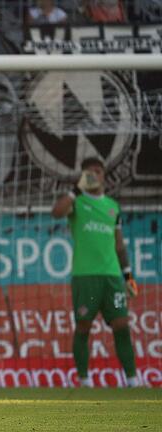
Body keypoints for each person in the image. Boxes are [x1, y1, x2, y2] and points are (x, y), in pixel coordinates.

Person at [51, 157, 140, 388]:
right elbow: (56, 212)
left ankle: (132, 380)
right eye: (88, 172)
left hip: (112, 277)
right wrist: (76, 189)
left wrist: (128, 276)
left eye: (97, 171)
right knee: (83, 326)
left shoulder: (113, 206)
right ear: (82, 176)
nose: (94, 175)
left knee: (121, 324)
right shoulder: (77, 202)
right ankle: (84, 380)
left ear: (103, 176)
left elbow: (119, 246)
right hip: (85, 277)